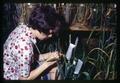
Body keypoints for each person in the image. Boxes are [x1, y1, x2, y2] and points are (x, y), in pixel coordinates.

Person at [3, 5, 66, 80]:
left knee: (55, 68)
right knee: (54, 67)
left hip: (14, 67)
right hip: (14, 77)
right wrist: (47, 64)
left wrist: (49, 55)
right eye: (49, 33)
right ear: (40, 30)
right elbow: (24, 79)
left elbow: (27, 58)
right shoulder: (24, 47)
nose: (50, 36)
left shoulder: (23, 27)